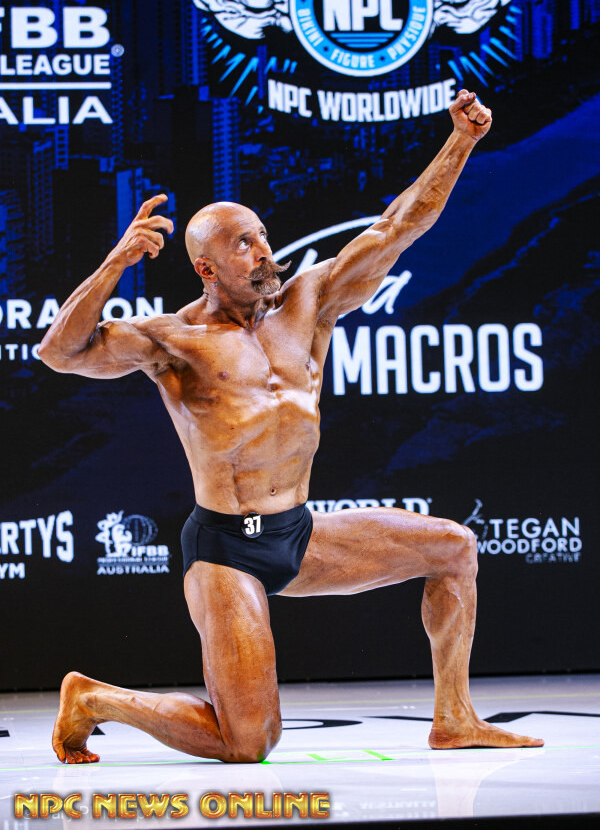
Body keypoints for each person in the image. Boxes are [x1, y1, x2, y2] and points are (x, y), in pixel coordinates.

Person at [39, 90, 543, 765]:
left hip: (297, 534)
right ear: (206, 269)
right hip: (225, 551)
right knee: (249, 742)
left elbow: (397, 226)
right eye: (243, 244)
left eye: (262, 236)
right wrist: (114, 265)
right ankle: (94, 699)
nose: (263, 252)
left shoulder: (310, 302)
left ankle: (453, 716)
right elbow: (60, 352)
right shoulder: (174, 341)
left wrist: (462, 141)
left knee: (454, 548)